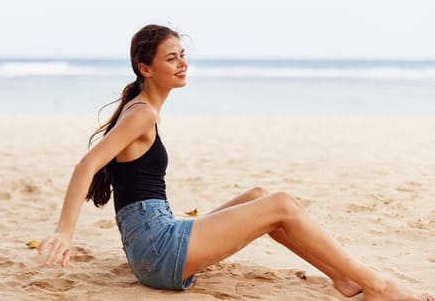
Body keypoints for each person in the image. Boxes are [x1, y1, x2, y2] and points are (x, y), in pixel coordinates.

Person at [38, 24, 433, 301]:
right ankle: (376, 286)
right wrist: (64, 233)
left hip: (156, 242)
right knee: (281, 204)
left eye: (183, 55)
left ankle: (344, 279)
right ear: (146, 68)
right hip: (158, 252)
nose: (182, 64)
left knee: (261, 197)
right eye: (171, 58)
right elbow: (85, 165)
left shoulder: (141, 109)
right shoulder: (142, 113)